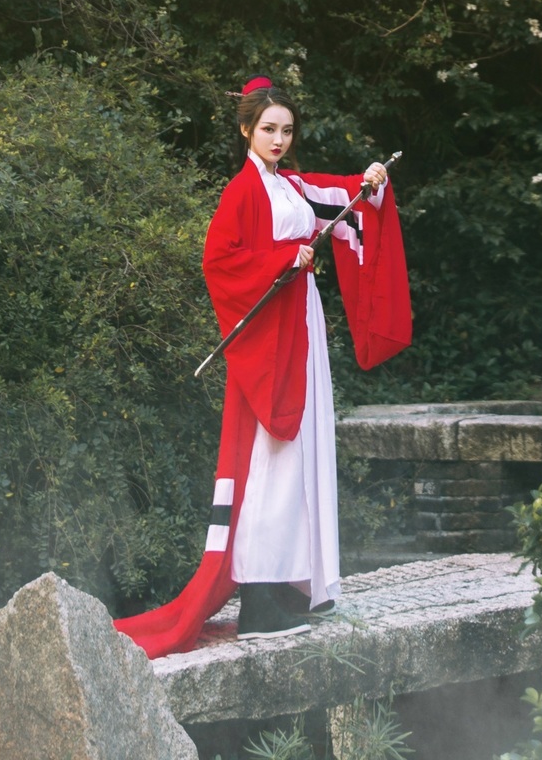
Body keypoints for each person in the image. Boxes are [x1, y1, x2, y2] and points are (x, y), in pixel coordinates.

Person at [116, 76, 412, 658]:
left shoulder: (289, 185)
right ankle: (257, 602)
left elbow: (345, 194)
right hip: (270, 344)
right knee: (271, 460)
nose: (279, 139)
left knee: (301, 453)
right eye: (269, 129)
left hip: (300, 331)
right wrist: (284, 257)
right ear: (246, 129)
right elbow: (219, 261)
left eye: (287, 130)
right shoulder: (242, 192)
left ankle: (290, 588)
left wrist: (372, 178)